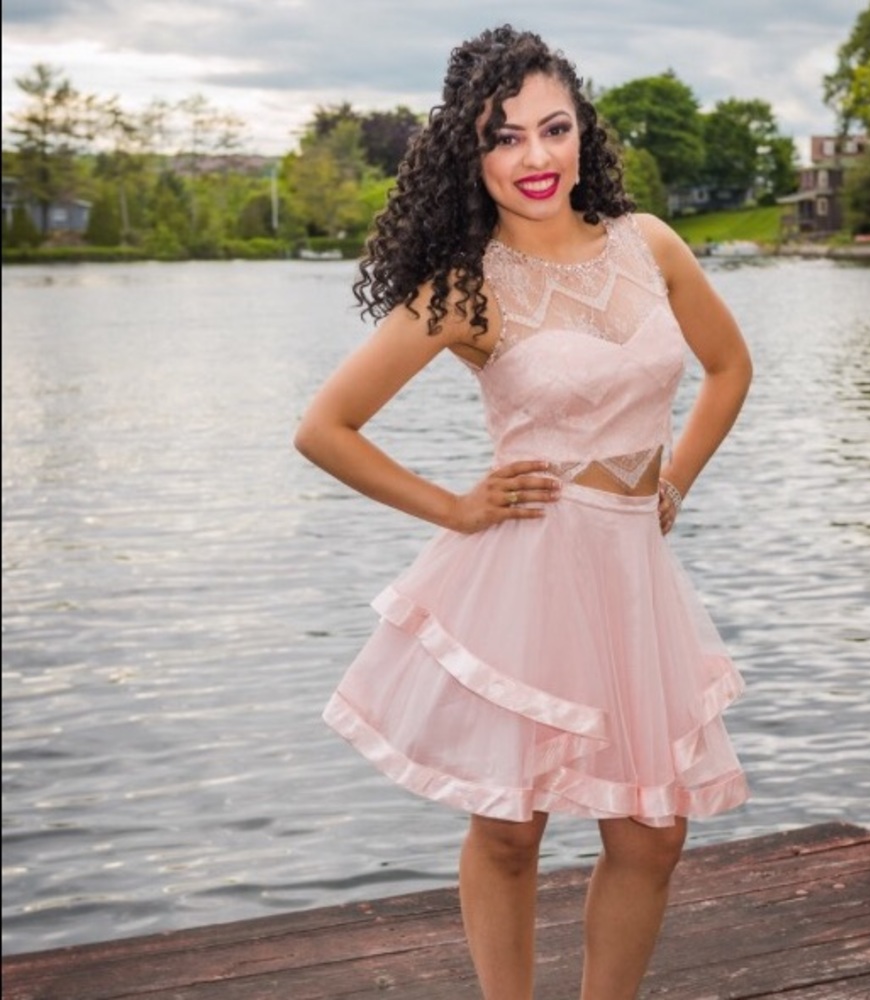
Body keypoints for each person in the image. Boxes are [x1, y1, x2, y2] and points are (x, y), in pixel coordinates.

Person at [294, 24, 753, 1000]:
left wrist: (671, 481)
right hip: (526, 570)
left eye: (552, 128)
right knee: (511, 822)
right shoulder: (466, 285)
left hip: (633, 573)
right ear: (471, 152)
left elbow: (727, 368)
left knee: (652, 830)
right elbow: (326, 427)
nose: (535, 157)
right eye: (504, 137)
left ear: (583, 129)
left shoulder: (650, 243)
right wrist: (453, 508)